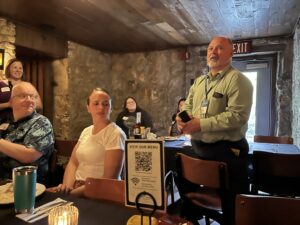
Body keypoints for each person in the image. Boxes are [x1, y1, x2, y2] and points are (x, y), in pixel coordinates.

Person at [177, 36, 253, 224]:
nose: (213, 51)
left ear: (231, 53)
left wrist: (200, 124)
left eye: (219, 48)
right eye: (211, 48)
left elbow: (237, 117)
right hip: (199, 148)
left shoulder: (238, 81)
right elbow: (188, 106)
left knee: (235, 207)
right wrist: (182, 118)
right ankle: (190, 217)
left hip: (228, 151)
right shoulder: (199, 82)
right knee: (175, 162)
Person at [54, 88, 126, 196]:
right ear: (88, 108)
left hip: (98, 193)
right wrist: (67, 187)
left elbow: (108, 180)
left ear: (111, 108)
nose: (101, 107)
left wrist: (72, 194)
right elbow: (73, 163)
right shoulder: (86, 131)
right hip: (76, 189)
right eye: (96, 103)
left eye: (105, 104)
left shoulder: (115, 133)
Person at [0, 81, 54, 184]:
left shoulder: (41, 122)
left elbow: (29, 155)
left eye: (32, 96)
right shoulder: (4, 121)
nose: (29, 100)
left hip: (25, 187)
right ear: (11, 101)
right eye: (23, 96)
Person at [0, 58, 42, 122]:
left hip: (24, 123)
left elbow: (39, 106)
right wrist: (8, 105)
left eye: (20, 68)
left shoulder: (28, 86)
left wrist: (25, 104)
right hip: (3, 123)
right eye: (15, 67)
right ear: (9, 70)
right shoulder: (1, 84)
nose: (18, 70)